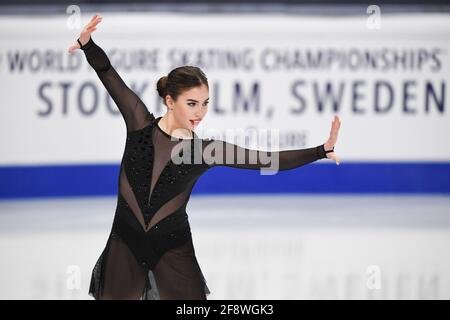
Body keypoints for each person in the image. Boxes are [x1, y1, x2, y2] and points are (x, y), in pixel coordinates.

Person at [68, 14, 341, 300]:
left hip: (172, 247)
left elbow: (268, 159)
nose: (200, 112)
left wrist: (320, 151)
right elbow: (109, 75)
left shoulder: (205, 151)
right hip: (125, 241)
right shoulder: (139, 124)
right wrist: (88, 45)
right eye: (192, 103)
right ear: (170, 101)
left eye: (205, 103)